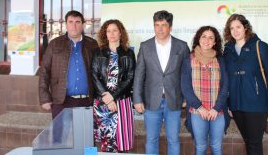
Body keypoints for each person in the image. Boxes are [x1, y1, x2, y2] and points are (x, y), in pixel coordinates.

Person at [223, 14, 268, 155]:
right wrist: (228, 104)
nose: (235, 31)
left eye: (238, 27)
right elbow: (226, 79)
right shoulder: (228, 50)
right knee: (248, 141)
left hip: (256, 103)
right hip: (236, 104)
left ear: (246, 27)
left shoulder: (260, 46)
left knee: (255, 143)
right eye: (232, 28)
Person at [133, 10, 190, 155]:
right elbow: (139, 75)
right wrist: (137, 99)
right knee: (151, 139)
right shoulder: (145, 46)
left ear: (170, 27)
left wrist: (186, 97)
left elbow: (187, 75)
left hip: (174, 100)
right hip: (151, 101)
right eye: (157, 25)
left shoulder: (182, 46)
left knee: (173, 139)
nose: (160, 28)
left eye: (163, 25)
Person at [38, 10, 98, 119]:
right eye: (70, 22)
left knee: (84, 135)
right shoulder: (54, 44)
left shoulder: (92, 44)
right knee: (60, 135)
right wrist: (44, 98)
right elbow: (44, 71)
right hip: (61, 100)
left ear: (83, 25)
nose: (74, 26)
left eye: (77, 22)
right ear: (66, 25)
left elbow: (98, 72)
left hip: (86, 101)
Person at [181, 26, 229, 155]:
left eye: (211, 38)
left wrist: (216, 108)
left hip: (217, 112)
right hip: (197, 111)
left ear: (215, 42)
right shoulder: (188, 59)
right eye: (204, 36)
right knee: (201, 146)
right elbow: (185, 87)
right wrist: (200, 107)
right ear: (198, 39)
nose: (207, 40)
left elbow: (225, 86)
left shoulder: (220, 60)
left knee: (216, 146)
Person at [91, 19, 136, 152]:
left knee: (121, 140)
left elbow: (130, 77)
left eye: (115, 30)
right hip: (102, 102)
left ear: (120, 33)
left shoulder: (129, 53)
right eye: (108, 30)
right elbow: (94, 76)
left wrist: (113, 97)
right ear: (105, 33)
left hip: (121, 101)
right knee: (107, 141)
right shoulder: (98, 52)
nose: (112, 33)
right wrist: (107, 98)